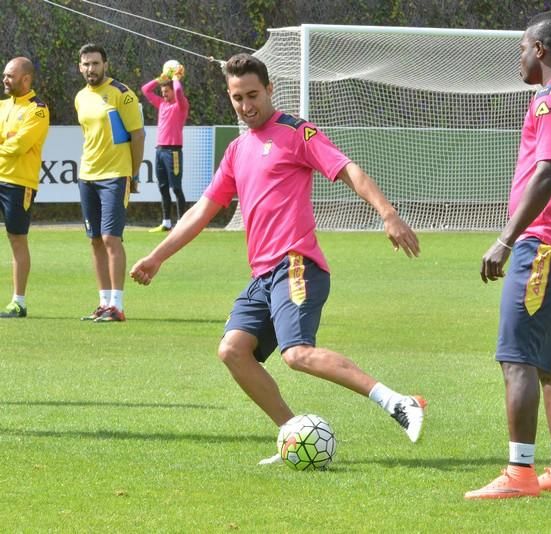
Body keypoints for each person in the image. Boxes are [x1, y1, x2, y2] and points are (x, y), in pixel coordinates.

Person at [130, 53, 426, 463]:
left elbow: (348, 170)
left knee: (296, 354)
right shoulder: (236, 150)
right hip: (263, 275)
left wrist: (388, 214)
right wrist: (157, 256)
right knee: (232, 351)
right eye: (237, 98)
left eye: (253, 95)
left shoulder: (296, 132)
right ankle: (294, 433)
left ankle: (398, 402)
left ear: (270, 90)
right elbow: (202, 211)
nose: (246, 105)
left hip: (296, 264)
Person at [465, 12, 551, 499]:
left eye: (522, 47)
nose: (519, 57)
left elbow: (548, 171)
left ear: (540, 49)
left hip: (545, 244)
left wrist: (506, 239)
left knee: (517, 358)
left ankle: (519, 472)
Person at [75, 43, 145, 322]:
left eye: (95, 63)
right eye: (86, 64)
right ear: (79, 67)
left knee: (110, 238)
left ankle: (117, 305)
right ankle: (103, 303)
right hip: (87, 175)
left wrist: (134, 174)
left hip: (115, 175)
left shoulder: (122, 94)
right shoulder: (80, 97)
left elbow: (137, 136)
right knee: (94, 240)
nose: (90, 69)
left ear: (106, 64)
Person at [0, 57, 50, 318]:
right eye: (5, 75)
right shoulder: (2, 106)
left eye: (10, 75)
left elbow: (20, 146)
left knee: (17, 238)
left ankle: (18, 302)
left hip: (19, 183)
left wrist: (7, 145)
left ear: (26, 79)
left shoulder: (38, 110)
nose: (5, 79)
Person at [141, 62, 189, 232]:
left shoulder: (180, 105)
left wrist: (175, 78)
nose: (164, 95)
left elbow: (177, 91)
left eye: (166, 92)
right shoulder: (162, 104)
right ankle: (166, 222)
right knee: (162, 187)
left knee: (176, 187)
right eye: (162, 93)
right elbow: (145, 90)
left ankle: (182, 224)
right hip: (160, 151)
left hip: (173, 151)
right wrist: (159, 79)